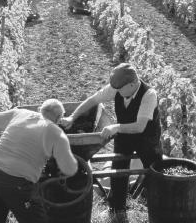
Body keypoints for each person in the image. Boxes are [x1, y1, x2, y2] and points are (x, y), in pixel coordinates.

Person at [60, 63, 163, 212]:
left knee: (155, 171)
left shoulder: (149, 95)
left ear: (133, 84)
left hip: (147, 138)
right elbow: (93, 100)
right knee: (118, 170)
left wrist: (116, 127)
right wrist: (72, 117)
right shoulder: (117, 88)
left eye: (119, 89)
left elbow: (140, 126)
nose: (116, 91)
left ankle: (156, 207)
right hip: (125, 136)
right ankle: (117, 208)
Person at [0, 99, 78, 223]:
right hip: (15, 181)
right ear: (59, 118)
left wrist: (16, 126)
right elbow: (69, 169)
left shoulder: (21, 113)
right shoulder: (56, 133)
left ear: (39, 109)